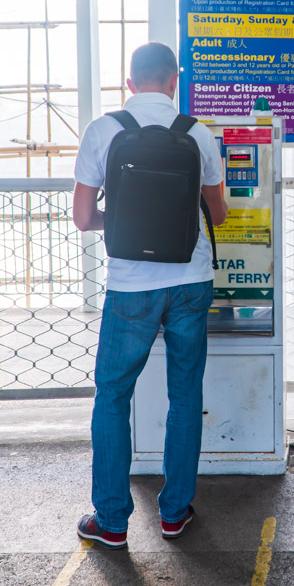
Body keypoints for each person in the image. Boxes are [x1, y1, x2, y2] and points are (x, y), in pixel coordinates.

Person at [72, 42, 228, 548]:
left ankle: (112, 521)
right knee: (185, 395)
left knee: (113, 395)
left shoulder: (103, 130)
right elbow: (217, 213)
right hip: (190, 278)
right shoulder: (198, 133)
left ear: (130, 83)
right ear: (174, 81)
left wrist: (121, 224)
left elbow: (82, 218)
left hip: (130, 286)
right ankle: (174, 513)